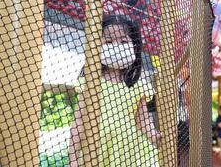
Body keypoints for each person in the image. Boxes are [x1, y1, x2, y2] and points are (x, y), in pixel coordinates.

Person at [69, 15, 161, 166]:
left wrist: (154, 136)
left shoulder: (138, 85)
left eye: (124, 41)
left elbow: (142, 119)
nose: (116, 47)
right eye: (109, 41)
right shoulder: (91, 82)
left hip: (128, 151)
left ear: (134, 46)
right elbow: (78, 120)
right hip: (95, 147)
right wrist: (72, 159)